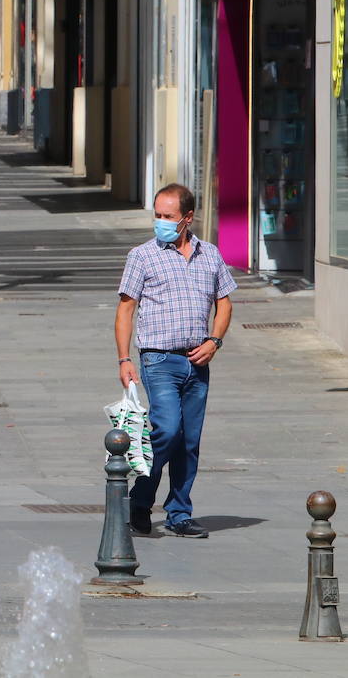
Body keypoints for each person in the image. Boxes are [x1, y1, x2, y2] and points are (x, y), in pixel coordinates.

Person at [116, 183, 236, 540]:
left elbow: (225, 302)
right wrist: (124, 358)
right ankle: (140, 498)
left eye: (168, 216)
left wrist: (215, 341)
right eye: (157, 215)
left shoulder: (210, 255)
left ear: (187, 218)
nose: (160, 222)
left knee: (189, 440)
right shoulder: (142, 256)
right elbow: (126, 309)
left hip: (197, 363)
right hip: (159, 360)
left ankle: (179, 513)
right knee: (167, 430)